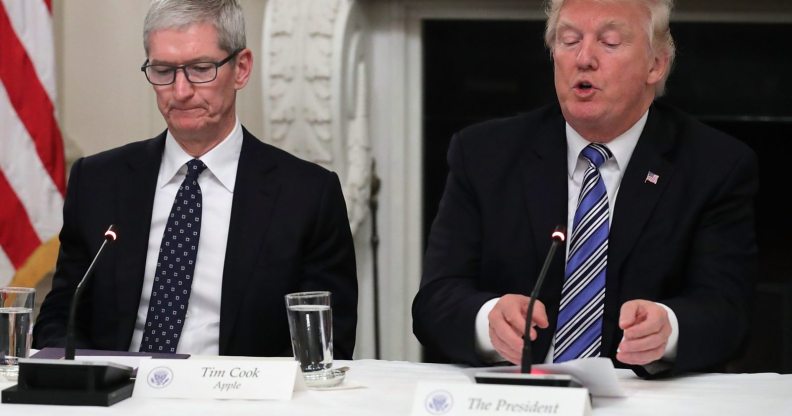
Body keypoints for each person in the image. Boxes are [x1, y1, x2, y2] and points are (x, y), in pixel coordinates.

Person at [412, 0, 757, 377]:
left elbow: (729, 313)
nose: (584, 58)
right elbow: (435, 303)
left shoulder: (714, 165)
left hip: (641, 399)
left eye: (609, 42)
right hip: (514, 396)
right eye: (569, 40)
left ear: (655, 64)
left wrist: (669, 328)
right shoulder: (483, 155)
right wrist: (487, 321)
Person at [34, 0, 357, 359]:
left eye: (201, 69)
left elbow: (326, 345)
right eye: (163, 70)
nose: (181, 90)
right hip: (117, 399)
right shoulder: (96, 182)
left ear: (241, 69)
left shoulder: (307, 196)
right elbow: (60, 316)